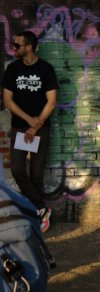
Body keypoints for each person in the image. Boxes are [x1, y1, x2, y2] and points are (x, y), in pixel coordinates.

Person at [1, 31, 58, 232]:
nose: (14, 49)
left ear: (29, 47)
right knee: (17, 169)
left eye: (17, 46)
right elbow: (8, 101)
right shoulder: (13, 69)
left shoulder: (46, 70)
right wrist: (28, 122)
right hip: (20, 128)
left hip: (40, 129)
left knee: (36, 173)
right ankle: (42, 208)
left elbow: (51, 102)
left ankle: (37, 214)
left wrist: (36, 126)